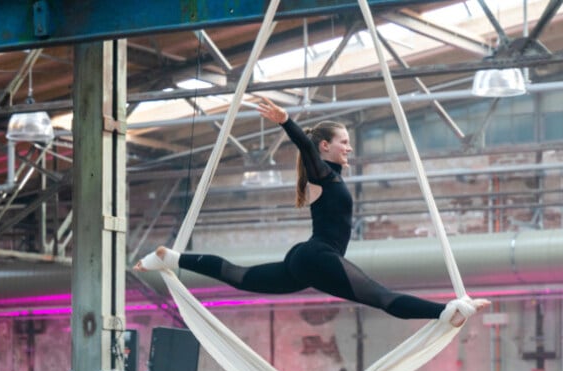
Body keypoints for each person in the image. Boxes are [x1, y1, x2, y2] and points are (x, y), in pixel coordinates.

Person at [135, 97, 489, 325]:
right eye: (344, 142)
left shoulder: (328, 178)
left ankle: (174, 258)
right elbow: (305, 146)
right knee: (381, 297)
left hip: (305, 260)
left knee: (240, 276)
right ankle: (444, 312)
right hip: (318, 256)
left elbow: (309, 149)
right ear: (326, 147)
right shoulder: (324, 174)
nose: (349, 147)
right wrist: (286, 120)